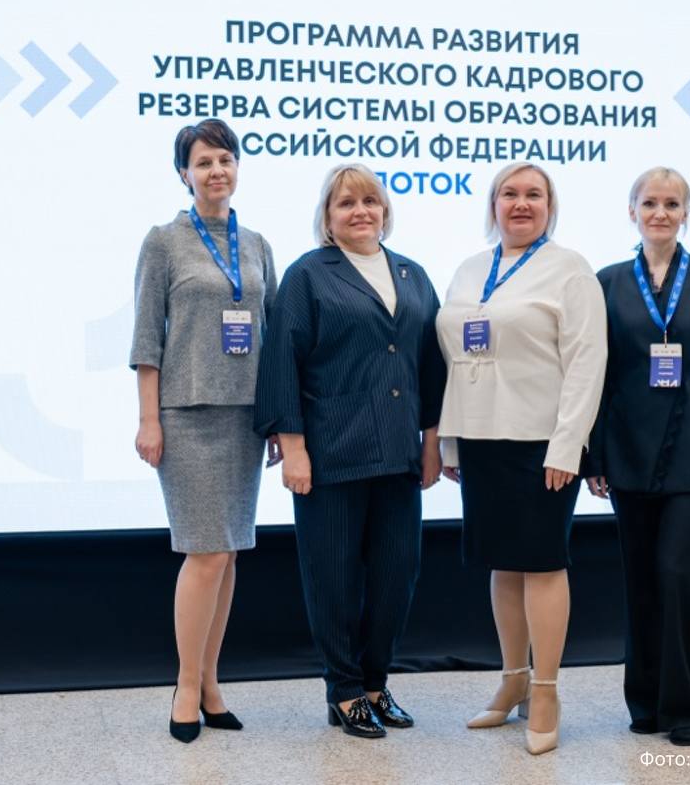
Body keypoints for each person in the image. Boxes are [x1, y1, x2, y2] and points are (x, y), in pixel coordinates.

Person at [253, 163, 446, 739]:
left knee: (396, 575)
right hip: (331, 454)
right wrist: (293, 448)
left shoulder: (412, 274)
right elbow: (281, 361)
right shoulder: (309, 275)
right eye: (346, 203)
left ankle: (375, 683)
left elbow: (431, 366)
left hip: (399, 454)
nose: (360, 211)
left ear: (385, 211)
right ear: (328, 218)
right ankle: (343, 691)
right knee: (333, 578)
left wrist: (433, 441)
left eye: (370, 201)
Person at [435, 162, 607, 755]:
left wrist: (569, 444)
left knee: (541, 563)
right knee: (502, 564)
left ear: (550, 207)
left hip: (541, 443)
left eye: (534, 194)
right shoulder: (469, 269)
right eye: (509, 193)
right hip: (480, 438)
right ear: (493, 205)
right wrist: (451, 440)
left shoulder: (570, 270)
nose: (521, 203)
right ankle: (512, 681)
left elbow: (587, 362)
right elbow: (456, 357)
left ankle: (546, 692)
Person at [583, 166, 690, 747]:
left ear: (685, 213)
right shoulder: (607, 281)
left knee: (685, 578)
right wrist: (595, 456)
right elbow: (600, 375)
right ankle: (647, 701)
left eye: (672, 204)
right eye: (650, 202)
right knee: (642, 581)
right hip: (628, 449)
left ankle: (686, 707)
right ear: (631, 210)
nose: (660, 213)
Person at [129, 118, 280, 744]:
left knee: (228, 552)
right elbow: (146, 338)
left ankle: (211, 682)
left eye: (225, 159)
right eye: (203, 162)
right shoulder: (164, 242)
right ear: (183, 174)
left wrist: (278, 419)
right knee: (206, 550)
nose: (217, 170)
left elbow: (273, 340)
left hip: (245, 417)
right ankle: (186, 687)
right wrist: (148, 418)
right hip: (187, 416)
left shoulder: (258, 244)